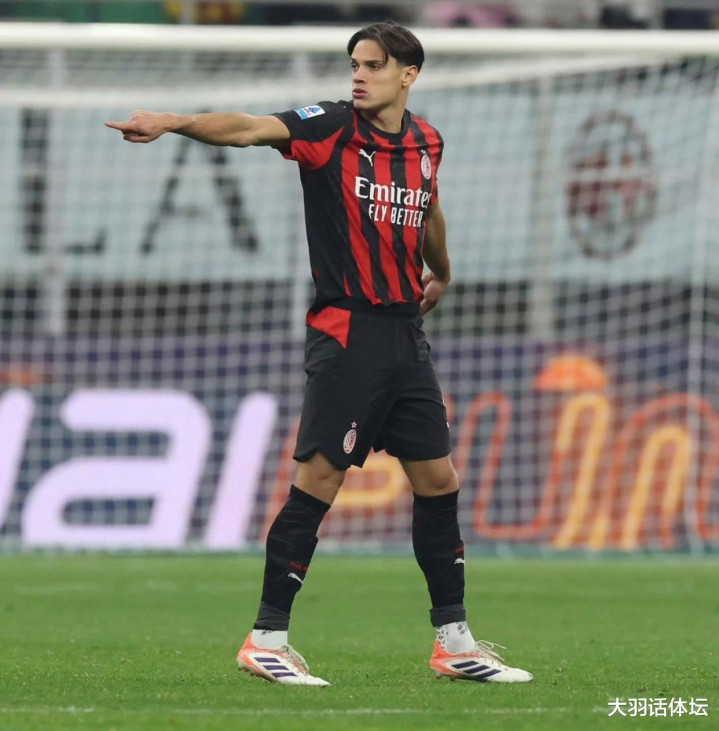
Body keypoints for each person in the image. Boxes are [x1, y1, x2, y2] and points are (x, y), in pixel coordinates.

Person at [106, 20, 533, 687]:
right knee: (319, 481)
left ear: (408, 74)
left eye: (373, 64)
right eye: (354, 64)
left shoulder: (426, 141)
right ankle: (266, 638)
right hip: (347, 331)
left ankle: (454, 643)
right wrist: (172, 121)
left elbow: (427, 206)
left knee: (437, 481)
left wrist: (442, 270)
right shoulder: (330, 128)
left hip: (404, 335)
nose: (358, 75)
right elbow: (248, 128)